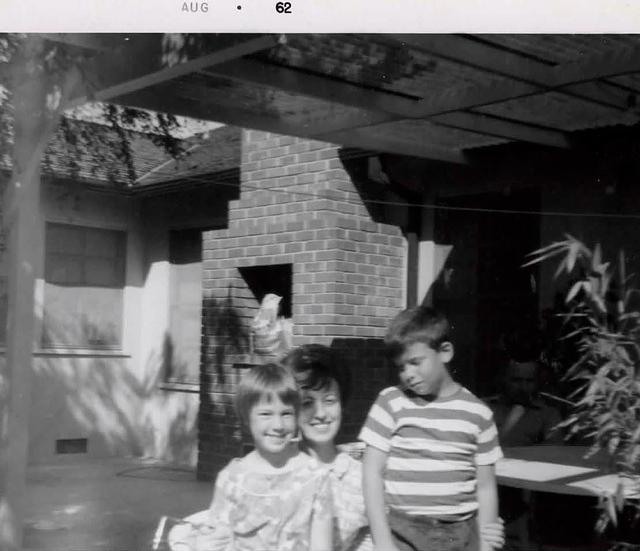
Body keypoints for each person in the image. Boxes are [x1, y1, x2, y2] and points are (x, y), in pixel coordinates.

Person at [284, 343, 505, 551]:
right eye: (307, 403)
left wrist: (484, 528)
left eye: (330, 400)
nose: (320, 413)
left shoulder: (359, 477)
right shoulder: (273, 470)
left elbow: (393, 528)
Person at [360, 306, 503, 551]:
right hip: (402, 532)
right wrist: (382, 541)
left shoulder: (478, 414)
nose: (408, 374)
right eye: (402, 367)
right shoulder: (391, 403)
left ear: (445, 352)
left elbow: (486, 487)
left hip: (461, 533)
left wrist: (487, 542)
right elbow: (371, 473)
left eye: (415, 362)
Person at [199, 363, 333, 551]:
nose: (278, 425)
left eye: (286, 413)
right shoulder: (231, 479)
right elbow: (217, 540)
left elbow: (322, 547)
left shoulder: (316, 477)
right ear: (246, 418)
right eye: (265, 414)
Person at [486, 357, 563, 448]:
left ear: (537, 382)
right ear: (504, 379)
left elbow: (553, 449)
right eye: (517, 380)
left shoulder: (548, 414)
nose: (523, 387)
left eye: (529, 381)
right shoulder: (484, 407)